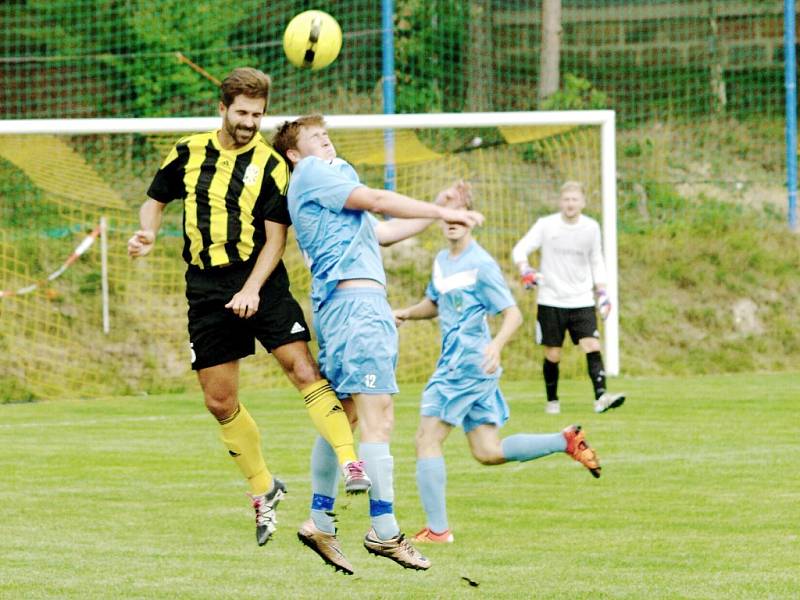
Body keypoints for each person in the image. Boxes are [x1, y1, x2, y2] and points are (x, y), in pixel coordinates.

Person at [127, 68, 368, 549]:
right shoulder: (188, 152)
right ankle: (264, 488)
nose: (249, 122)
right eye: (241, 113)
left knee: (302, 368)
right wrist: (148, 232)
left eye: (257, 115)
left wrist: (253, 289)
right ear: (222, 108)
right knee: (218, 401)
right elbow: (154, 200)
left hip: (260, 277)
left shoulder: (274, 165)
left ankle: (349, 459)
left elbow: (276, 239)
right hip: (205, 286)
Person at [272, 114, 483, 574]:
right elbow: (379, 199)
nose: (326, 142)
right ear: (294, 154)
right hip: (356, 307)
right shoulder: (311, 174)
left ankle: (320, 518)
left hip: (351, 306)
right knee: (378, 417)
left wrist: (432, 207)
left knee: (344, 416)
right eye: (315, 138)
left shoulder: (330, 192)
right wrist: (442, 212)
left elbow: (381, 230)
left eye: (328, 136)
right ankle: (384, 532)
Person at [392, 191, 602, 544]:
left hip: (466, 365)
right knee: (487, 451)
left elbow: (513, 313)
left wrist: (496, 343)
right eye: (448, 216)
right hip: (468, 367)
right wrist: (406, 313)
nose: (453, 222)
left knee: (426, 440)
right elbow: (436, 302)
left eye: (461, 216)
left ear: (472, 219)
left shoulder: (481, 264)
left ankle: (438, 530)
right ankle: (563, 440)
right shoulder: (442, 260)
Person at [511, 181, 626, 415]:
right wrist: (525, 269)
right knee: (553, 354)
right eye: (566, 199)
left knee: (592, 345)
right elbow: (520, 249)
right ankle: (552, 401)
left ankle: (601, 397)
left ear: (583, 202)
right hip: (551, 300)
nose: (570, 204)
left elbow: (596, 259)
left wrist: (602, 291)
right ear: (560, 202)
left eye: (575, 199)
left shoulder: (591, 228)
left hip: (581, 300)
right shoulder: (546, 225)